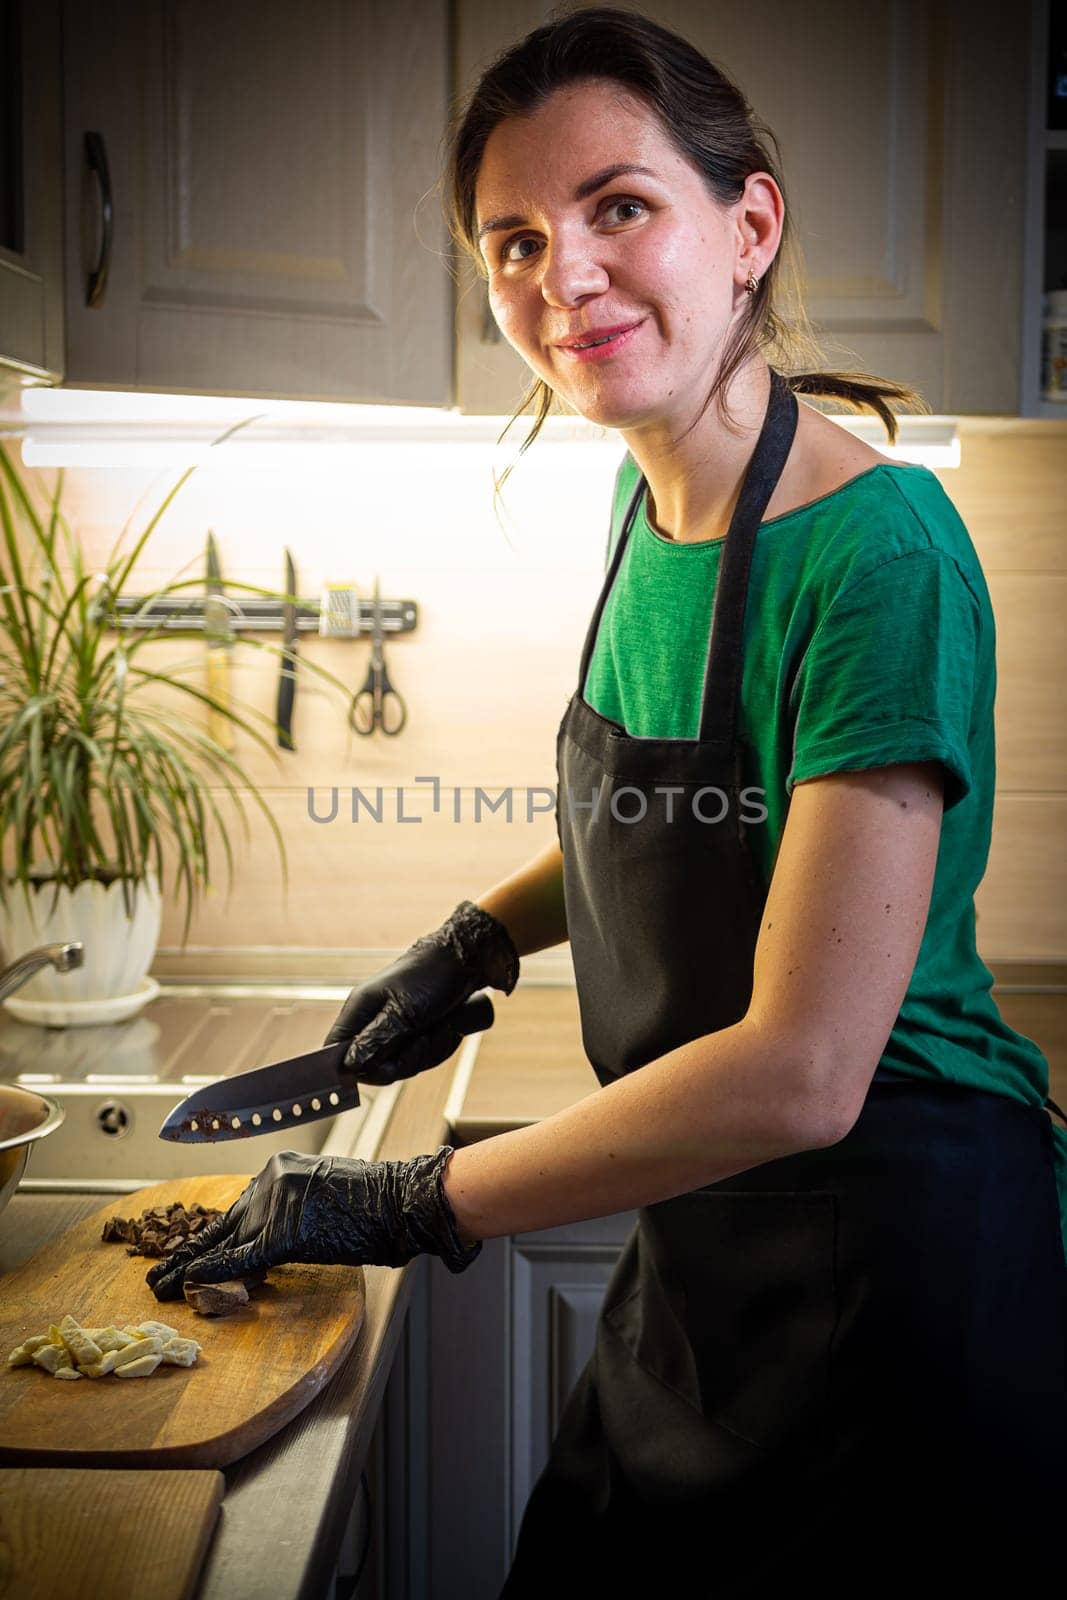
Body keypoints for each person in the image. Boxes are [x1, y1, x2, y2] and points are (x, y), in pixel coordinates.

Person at [149, 9, 1067, 1593]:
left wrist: (407, 1196)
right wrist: (479, 939)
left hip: (890, 1271)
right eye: (510, 239)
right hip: (698, 1249)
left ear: (749, 224)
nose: (558, 277)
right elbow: (693, 821)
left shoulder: (880, 555)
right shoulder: (651, 509)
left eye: (618, 208)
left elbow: (801, 1072)